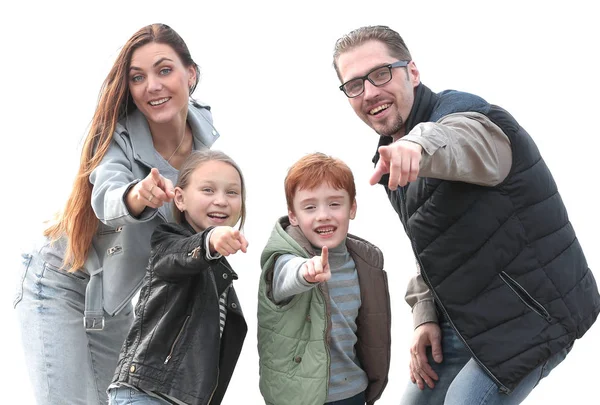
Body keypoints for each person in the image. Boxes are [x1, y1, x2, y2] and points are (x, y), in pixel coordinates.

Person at [332, 25, 600, 405]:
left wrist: (418, 144)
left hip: (535, 314)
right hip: (466, 320)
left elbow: (459, 139)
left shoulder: (471, 119)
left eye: (380, 73)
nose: (370, 92)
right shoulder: (392, 160)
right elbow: (431, 246)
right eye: (354, 84)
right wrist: (425, 313)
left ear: (412, 72)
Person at [13, 23, 221, 405]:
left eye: (164, 70)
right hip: (59, 281)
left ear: (189, 73)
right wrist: (137, 194)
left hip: (114, 301)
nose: (152, 86)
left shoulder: (206, 142)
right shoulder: (116, 137)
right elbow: (107, 195)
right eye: (137, 77)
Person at [107, 149, 248, 405]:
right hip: (145, 394)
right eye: (208, 190)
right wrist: (209, 241)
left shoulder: (220, 273)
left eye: (232, 192)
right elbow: (177, 258)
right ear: (180, 200)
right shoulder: (168, 241)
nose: (221, 200)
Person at [257, 152, 391, 405]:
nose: (323, 215)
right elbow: (284, 278)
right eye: (310, 207)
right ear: (293, 216)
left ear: (352, 208)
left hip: (351, 391)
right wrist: (306, 272)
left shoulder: (365, 263)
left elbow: (370, 330)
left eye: (334, 204)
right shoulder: (284, 258)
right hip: (299, 397)